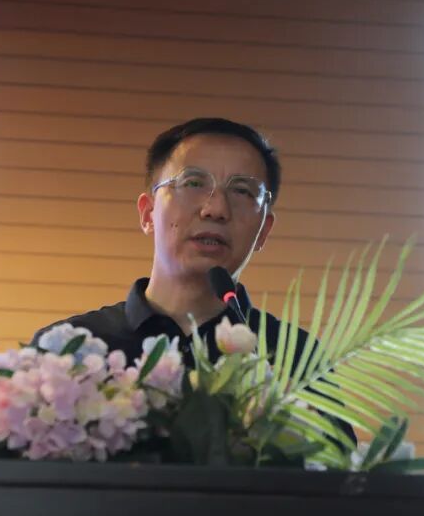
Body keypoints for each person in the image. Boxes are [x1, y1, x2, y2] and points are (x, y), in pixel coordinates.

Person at [29, 117, 354, 447]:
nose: (216, 209)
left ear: (263, 230)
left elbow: (338, 472)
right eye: (193, 182)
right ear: (147, 213)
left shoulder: (293, 358)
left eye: (242, 191)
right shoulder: (70, 350)